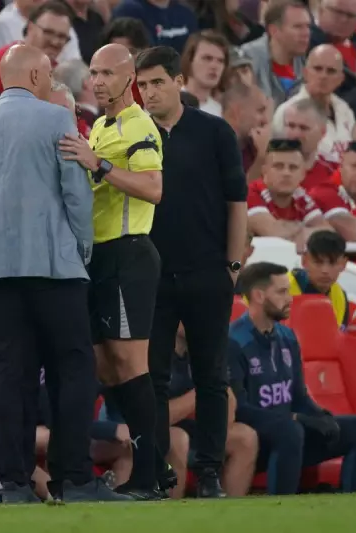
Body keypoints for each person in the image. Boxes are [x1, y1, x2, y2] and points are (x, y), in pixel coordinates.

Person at [0, 43, 128, 504]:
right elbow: (76, 194)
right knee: (73, 367)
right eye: (49, 78)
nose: (51, 85)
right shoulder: (56, 119)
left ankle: (14, 483)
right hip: (54, 265)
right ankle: (74, 478)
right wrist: (81, 249)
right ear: (34, 78)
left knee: (10, 372)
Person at [136, 45, 248, 498]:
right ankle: (159, 472)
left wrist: (233, 267)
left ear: (180, 82)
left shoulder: (215, 132)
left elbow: (236, 203)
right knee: (153, 378)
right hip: (152, 274)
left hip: (207, 272)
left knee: (211, 377)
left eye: (157, 82)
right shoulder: (131, 133)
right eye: (142, 85)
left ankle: (208, 472)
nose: (149, 92)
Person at [59, 43, 163, 500]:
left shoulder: (141, 124)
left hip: (128, 253)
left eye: (106, 73)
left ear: (129, 78)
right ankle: (153, 462)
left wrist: (97, 163)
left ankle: (150, 473)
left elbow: (153, 188)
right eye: (93, 73)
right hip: (98, 257)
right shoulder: (100, 125)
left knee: (130, 365)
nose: (97, 81)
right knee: (106, 366)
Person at [229, 262, 356, 495]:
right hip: (256, 440)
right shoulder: (234, 341)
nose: (290, 298)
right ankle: (281, 511)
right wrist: (295, 418)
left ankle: (354, 505)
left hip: (291, 434)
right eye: (281, 292)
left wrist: (319, 416)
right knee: (290, 429)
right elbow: (239, 409)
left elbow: (298, 396)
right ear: (258, 296)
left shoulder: (287, 336)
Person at [166, 324, 258, 498]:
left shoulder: (205, 352)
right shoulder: (153, 351)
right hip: (155, 434)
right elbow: (151, 418)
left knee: (245, 437)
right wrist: (199, 394)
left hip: (194, 432)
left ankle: (226, 516)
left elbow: (227, 417)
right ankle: (170, 518)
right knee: (178, 439)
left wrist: (218, 385)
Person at [288, 230, 349, 329]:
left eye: (332, 263)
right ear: (304, 260)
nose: (325, 270)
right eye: (318, 262)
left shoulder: (341, 296)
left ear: (343, 264)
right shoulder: (280, 290)